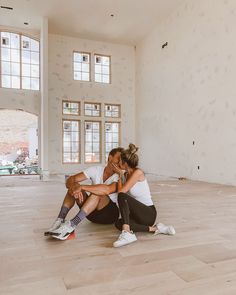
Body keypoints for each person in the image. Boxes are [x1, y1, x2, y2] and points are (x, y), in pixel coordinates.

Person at [44, 147, 123, 240]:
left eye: (122, 160)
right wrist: (75, 187)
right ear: (110, 157)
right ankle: (59, 221)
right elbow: (70, 179)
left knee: (98, 193)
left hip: (110, 215)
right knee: (74, 187)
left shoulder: (119, 175)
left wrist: (82, 186)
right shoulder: (97, 170)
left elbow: (107, 190)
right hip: (90, 213)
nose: (120, 162)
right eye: (118, 158)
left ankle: (71, 226)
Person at [112, 144, 175, 248]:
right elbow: (121, 193)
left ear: (125, 163)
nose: (118, 163)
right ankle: (155, 229)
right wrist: (120, 175)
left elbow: (121, 193)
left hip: (148, 213)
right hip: (137, 214)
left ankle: (127, 233)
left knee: (122, 196)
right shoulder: (126, 174)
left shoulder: (138, 172)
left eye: (119, 161)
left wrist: (120, 174)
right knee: (118, 223)